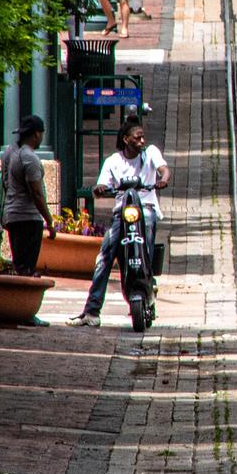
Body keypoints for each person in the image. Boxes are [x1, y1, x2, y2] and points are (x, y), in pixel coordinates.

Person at [68, 115, 172, 327]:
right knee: (105, 255)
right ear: (126, 139)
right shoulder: (113, 162)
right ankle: (92, 310)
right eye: (137, 138)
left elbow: (163, 169)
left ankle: (148, 277)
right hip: (122, 214)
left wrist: (163, 180)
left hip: (146, 209)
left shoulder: (150, 153)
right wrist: (100, 188)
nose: (142, 141)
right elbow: (101, 186)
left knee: (149, 225)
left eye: (143, 138)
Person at [0, 114, 55, 276]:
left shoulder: (9, 153)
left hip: (13, 215)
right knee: (27, 268)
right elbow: (36, 193)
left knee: (19, 265)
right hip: (28, 217)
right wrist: (49, 221)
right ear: (37, 134)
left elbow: (5, 183)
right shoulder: (30, 158)